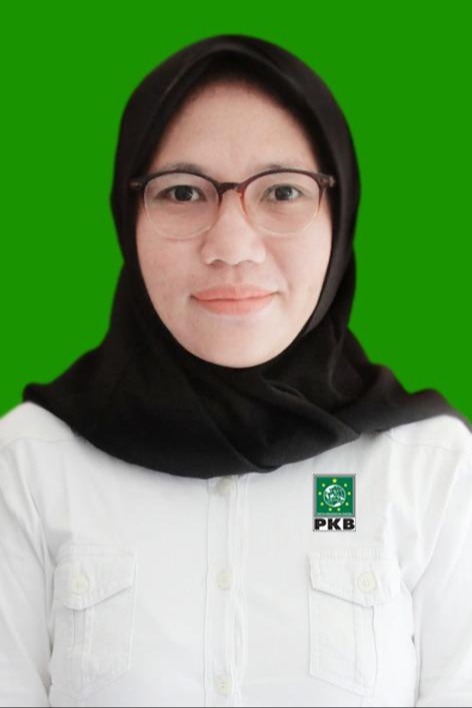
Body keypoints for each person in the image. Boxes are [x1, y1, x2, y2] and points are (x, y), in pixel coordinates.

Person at [0, 33, 471, 708]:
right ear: (128, 218)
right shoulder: (30, 463)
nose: (231, 245)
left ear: (339, 217)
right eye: (182, 192)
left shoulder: (428, 467)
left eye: (282, 191)